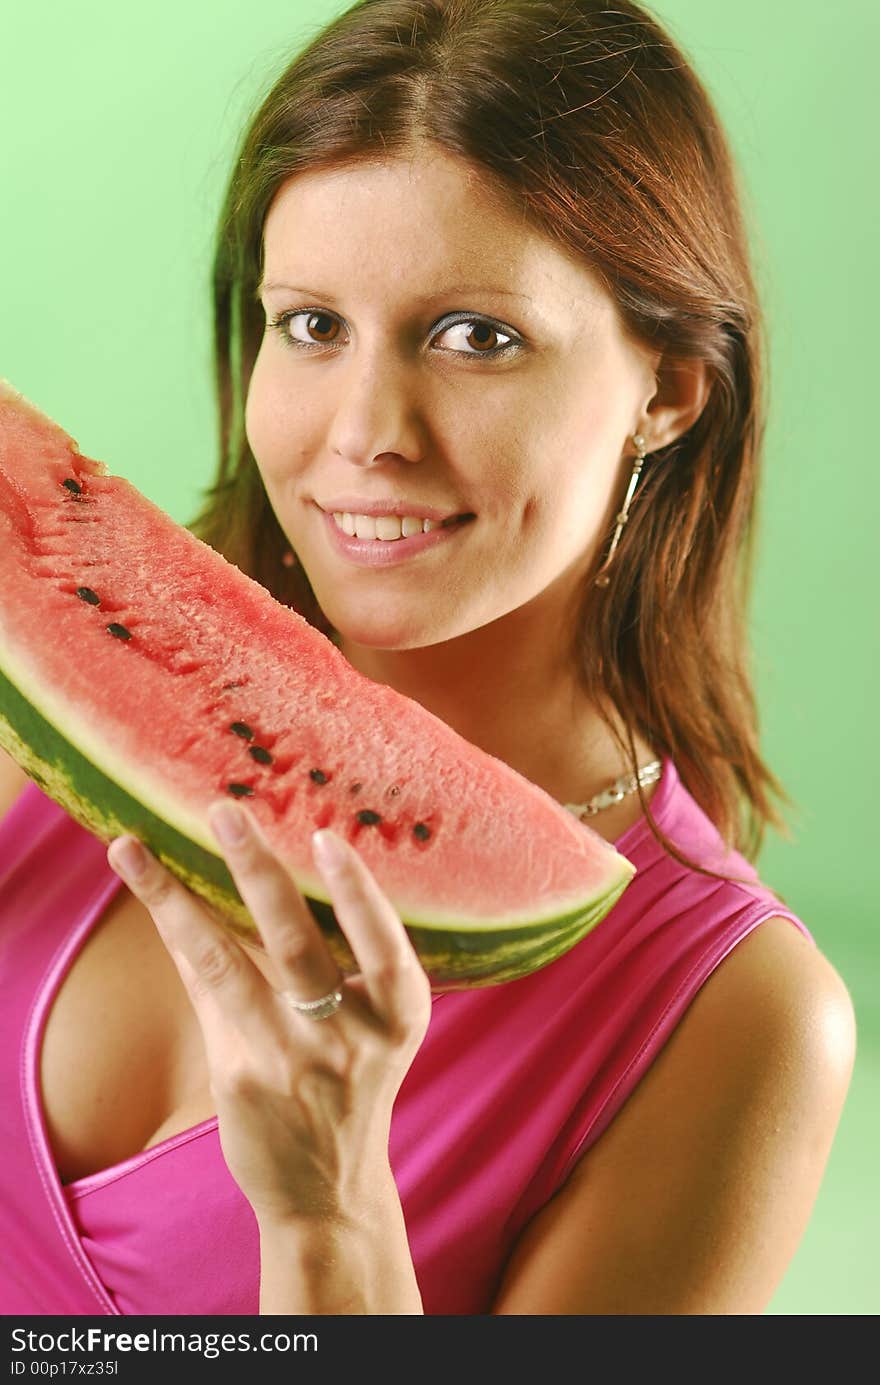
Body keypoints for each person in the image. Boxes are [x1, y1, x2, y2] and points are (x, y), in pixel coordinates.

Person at [0, 0, 856, 1316]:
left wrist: (332, 1206)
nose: (368, 433)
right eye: (311, 325)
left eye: (476, 337)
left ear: (668, 387)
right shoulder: (49, 706)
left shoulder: (737, 1019)